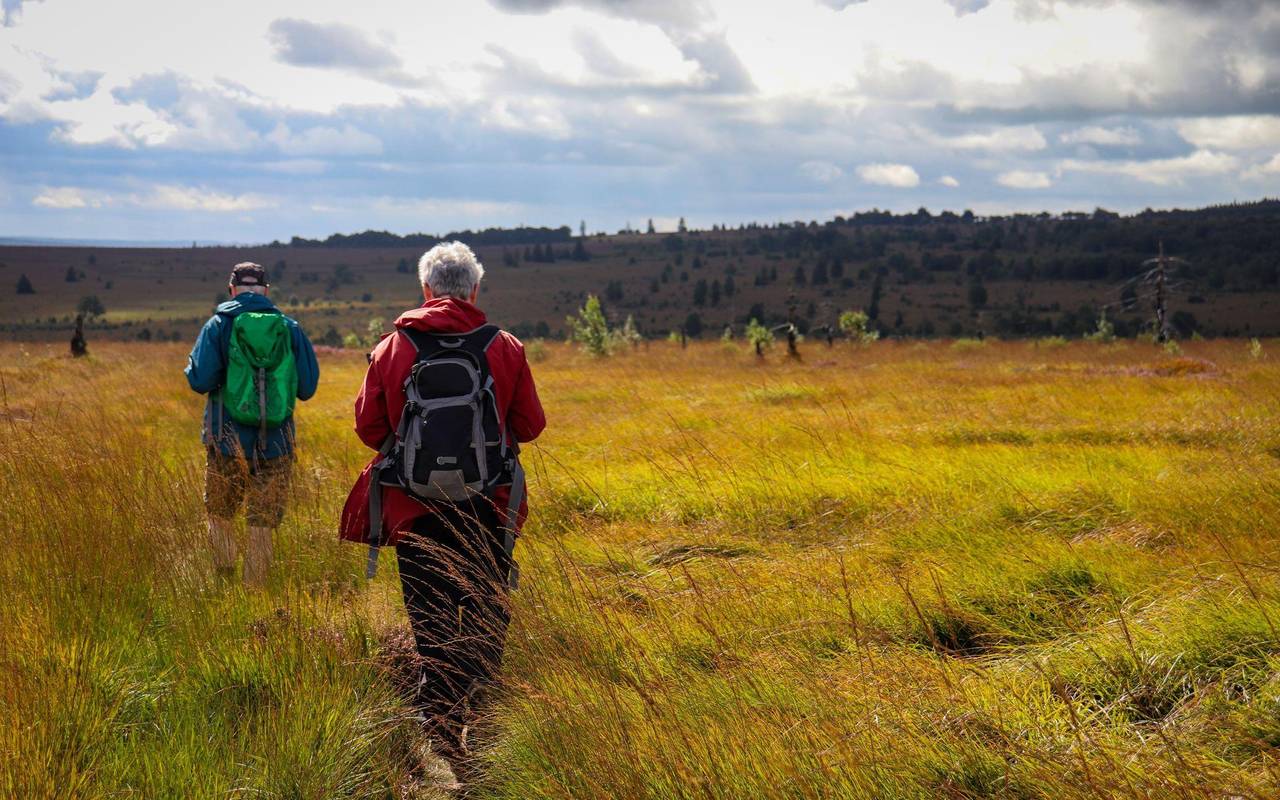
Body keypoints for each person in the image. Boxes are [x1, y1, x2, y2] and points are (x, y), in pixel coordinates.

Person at [340, 241, 545, 761]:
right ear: (475, 289)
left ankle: (444, 740)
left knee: (430, 626)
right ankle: (482, 727)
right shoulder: (505, 346)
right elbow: (530, 426)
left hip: (415, 510)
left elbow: (369, 428)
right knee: (483, 616)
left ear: (426, 290)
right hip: (488, 510)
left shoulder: (393, 347)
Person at [185, 262, 319, 587]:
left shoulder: (218, 326)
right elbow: (307, 387)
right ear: (266, 291)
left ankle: (225, 582)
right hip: (277, 444)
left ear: (231, 289)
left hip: (225, 441)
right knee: (262, 521)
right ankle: (254, 591)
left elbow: (200, 380)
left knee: (220, 514)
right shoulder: (289, 327)